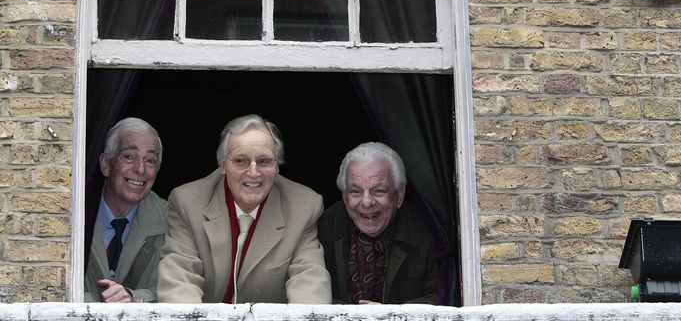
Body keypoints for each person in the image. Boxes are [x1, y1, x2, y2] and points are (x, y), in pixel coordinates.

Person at [157, 114, 330, 303]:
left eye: (264, 161)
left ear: (277, 167)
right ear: (223, 166)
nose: (254, 172)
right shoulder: (188, 203)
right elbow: (179, 283)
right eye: (241, 161)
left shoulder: (303, 206)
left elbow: (310, 282)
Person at [318, 142, 439, 304]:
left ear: (399, 195)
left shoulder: (427, 231)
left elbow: (440, 297)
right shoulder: (324, 228)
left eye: (379, 191)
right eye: (355, 191)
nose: (367, 202)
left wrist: (390, 314)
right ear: (345, 196)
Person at [84, 117, 168, 303]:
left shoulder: (170, 219)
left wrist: (134, 298)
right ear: (106, 164)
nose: (140, 169)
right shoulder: (74, 211)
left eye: (150, 160)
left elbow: (172, 291)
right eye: (129, 157)